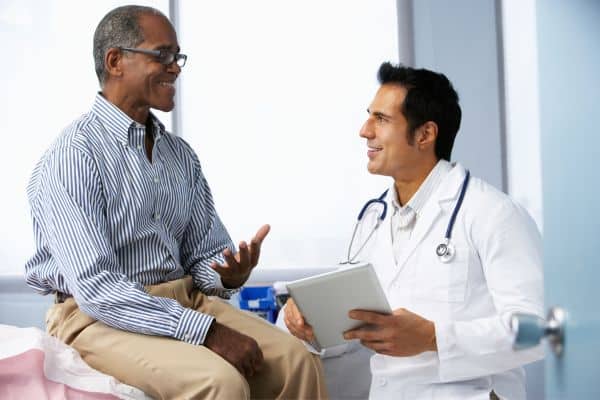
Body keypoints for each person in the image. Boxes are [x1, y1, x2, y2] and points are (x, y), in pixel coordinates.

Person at [24, 5, 327, 400]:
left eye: (177, 57)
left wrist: (226, 275)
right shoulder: (73, 156)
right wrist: (207, 331)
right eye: (162, 55)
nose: (176, 68)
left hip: (185, 301)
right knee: (220, 382)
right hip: (96, 316)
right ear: (115, 61)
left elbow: (202, 256)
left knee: (298, 360)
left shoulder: (180, 155)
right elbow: (98, 289)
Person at [283, 62, 544, 399]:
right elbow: (354, 327)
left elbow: (536, 331)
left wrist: (434, 337)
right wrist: (310, 320)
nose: (365, 130)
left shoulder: (493, 213)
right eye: (369, 116)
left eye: (381, 119)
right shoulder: (372, 219)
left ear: (424, 134)